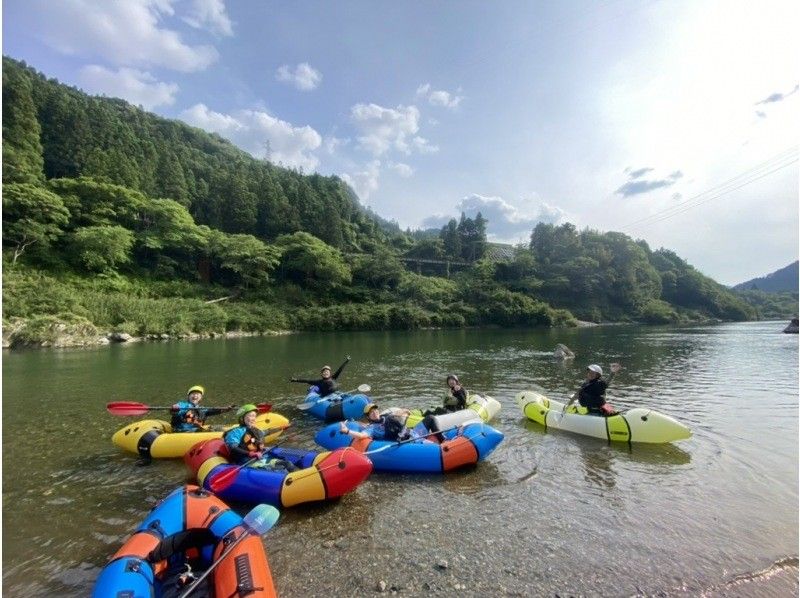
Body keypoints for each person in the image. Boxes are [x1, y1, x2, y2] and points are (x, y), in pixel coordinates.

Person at [223, 404, 298, 471]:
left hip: (262, 457)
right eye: (250, 416)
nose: (253, 418)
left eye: (254, 416)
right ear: (242, 418)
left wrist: (283, 428)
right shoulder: (236, 432)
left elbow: (268, 431)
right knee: (280, 470)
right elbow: (233, 447)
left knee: (288, 464)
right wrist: (249, 453)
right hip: (247, 461)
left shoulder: (256, 430)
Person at [170, 385, 235, 432]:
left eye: (197, 394)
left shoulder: (202, 409)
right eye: (192, 394)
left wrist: (226, 409)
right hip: (181, 431)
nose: (195, 396)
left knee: (218, 428)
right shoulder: (183, 405)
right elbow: (176, 412)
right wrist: (175, 409)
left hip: (196, 431)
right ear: (188, 396)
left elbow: (213, 410)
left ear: (201, 398)